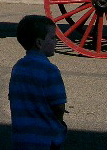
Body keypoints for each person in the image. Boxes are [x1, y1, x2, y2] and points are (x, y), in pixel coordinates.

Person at [9, 15, 67, 150]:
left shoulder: (18, 67)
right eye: (52, 38)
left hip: (21, 137)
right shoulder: (50, 70)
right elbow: (59, 106)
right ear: (39, 43)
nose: (56, 41)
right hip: (45, 138)